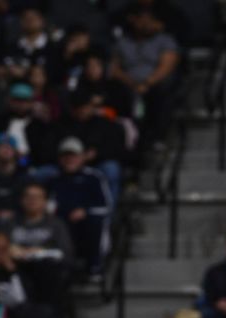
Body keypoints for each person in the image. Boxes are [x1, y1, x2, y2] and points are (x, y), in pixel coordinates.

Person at [109, 6, 180, 147]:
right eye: (141, 20)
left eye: (149, 20)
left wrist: (147, 84)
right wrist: (132, 84)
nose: (146, 24)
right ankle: (128, 139)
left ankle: (157, 137)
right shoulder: (123, 42)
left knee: (162, 92)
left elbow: (167, 66)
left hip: (154, 84)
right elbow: (114, 69)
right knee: (115, 92)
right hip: (129, 85)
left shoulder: (164, 40)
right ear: (133, 21)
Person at [50, 136, 112, 276]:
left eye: (74, 156)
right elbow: (49, 204)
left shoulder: (94, 177)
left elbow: (105, 206)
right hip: (62, 220)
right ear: (60, 159)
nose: (70, 160)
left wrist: (85, 211)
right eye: (66, 156)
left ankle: (94, 265)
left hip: (88, 221)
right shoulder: (54, 179)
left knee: (95, 223)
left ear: (82, 157)